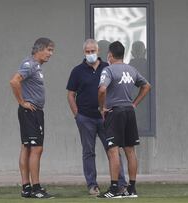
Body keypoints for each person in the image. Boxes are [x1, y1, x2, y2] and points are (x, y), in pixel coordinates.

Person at [66, 39, 127, 195]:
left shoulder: (108, 68)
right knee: (88, 152)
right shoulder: (77, 71)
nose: (90, 54)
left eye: (93, 51)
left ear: (98, 51)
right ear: (84, 52)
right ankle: (92, 185)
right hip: (85, 118)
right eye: (87, 51)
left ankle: (121, 183)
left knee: (113, 150)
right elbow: (71, 94)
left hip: (106, 118)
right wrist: (77, 115)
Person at [98, 41, 151, 198]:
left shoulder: (108, 70)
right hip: (129, 111)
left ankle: (114, 190)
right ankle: (132, 188)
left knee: (113, 150)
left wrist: (102, 107)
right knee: (130, 150)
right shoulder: (131, 69)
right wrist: (134, 103)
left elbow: (102, 89)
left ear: (110, 55)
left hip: (115, 112)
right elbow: (147, 86)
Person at [9, 37, 55, 199]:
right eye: (49, 50)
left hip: (34, 112)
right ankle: (35, 188)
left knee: (27, 148)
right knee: (36, 149)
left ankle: (26, 188)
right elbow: (14, 81)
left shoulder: (36, 66)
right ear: (39, 49)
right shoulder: (29, 64)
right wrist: (22, 102)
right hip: (31, 112)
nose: (51, 54)